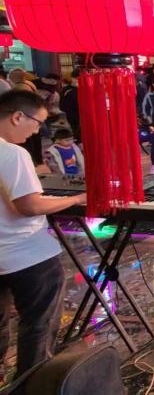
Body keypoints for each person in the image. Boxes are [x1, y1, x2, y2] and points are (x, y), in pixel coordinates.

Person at [0, 91, 88, 378]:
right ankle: (31, 383)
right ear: (17, 117)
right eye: (37, 123)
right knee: (38, 326)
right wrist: (76, 199)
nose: (38, 131)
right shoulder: (13, 153)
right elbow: (29, 206)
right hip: (27, 255)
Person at [58, 69, 80, 141]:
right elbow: (62, 106)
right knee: (76, 131)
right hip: (73, 115)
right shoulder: (68, 90)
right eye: (75, 78)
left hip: (74, 115)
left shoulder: (66, 89)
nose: (76, 80)